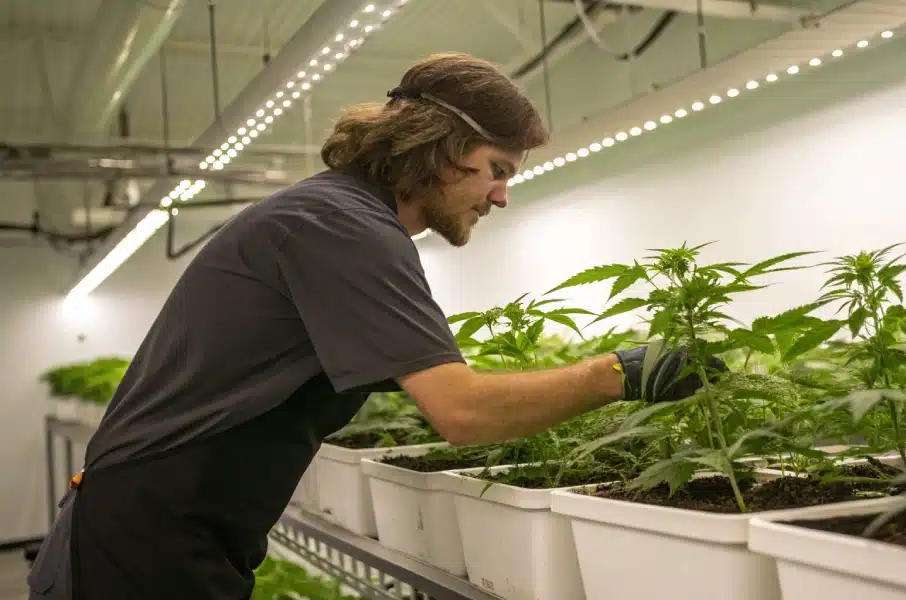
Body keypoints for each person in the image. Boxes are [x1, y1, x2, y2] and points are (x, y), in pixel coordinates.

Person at [27, 52, 719, 600]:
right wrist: (617, 375)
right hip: (142, 549)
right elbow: (462, 412)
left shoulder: (339, 217)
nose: (502, 196)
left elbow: (419, 383)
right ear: (442, 147)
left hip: (166, 531)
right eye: (497, 170)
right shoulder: (346, 229)